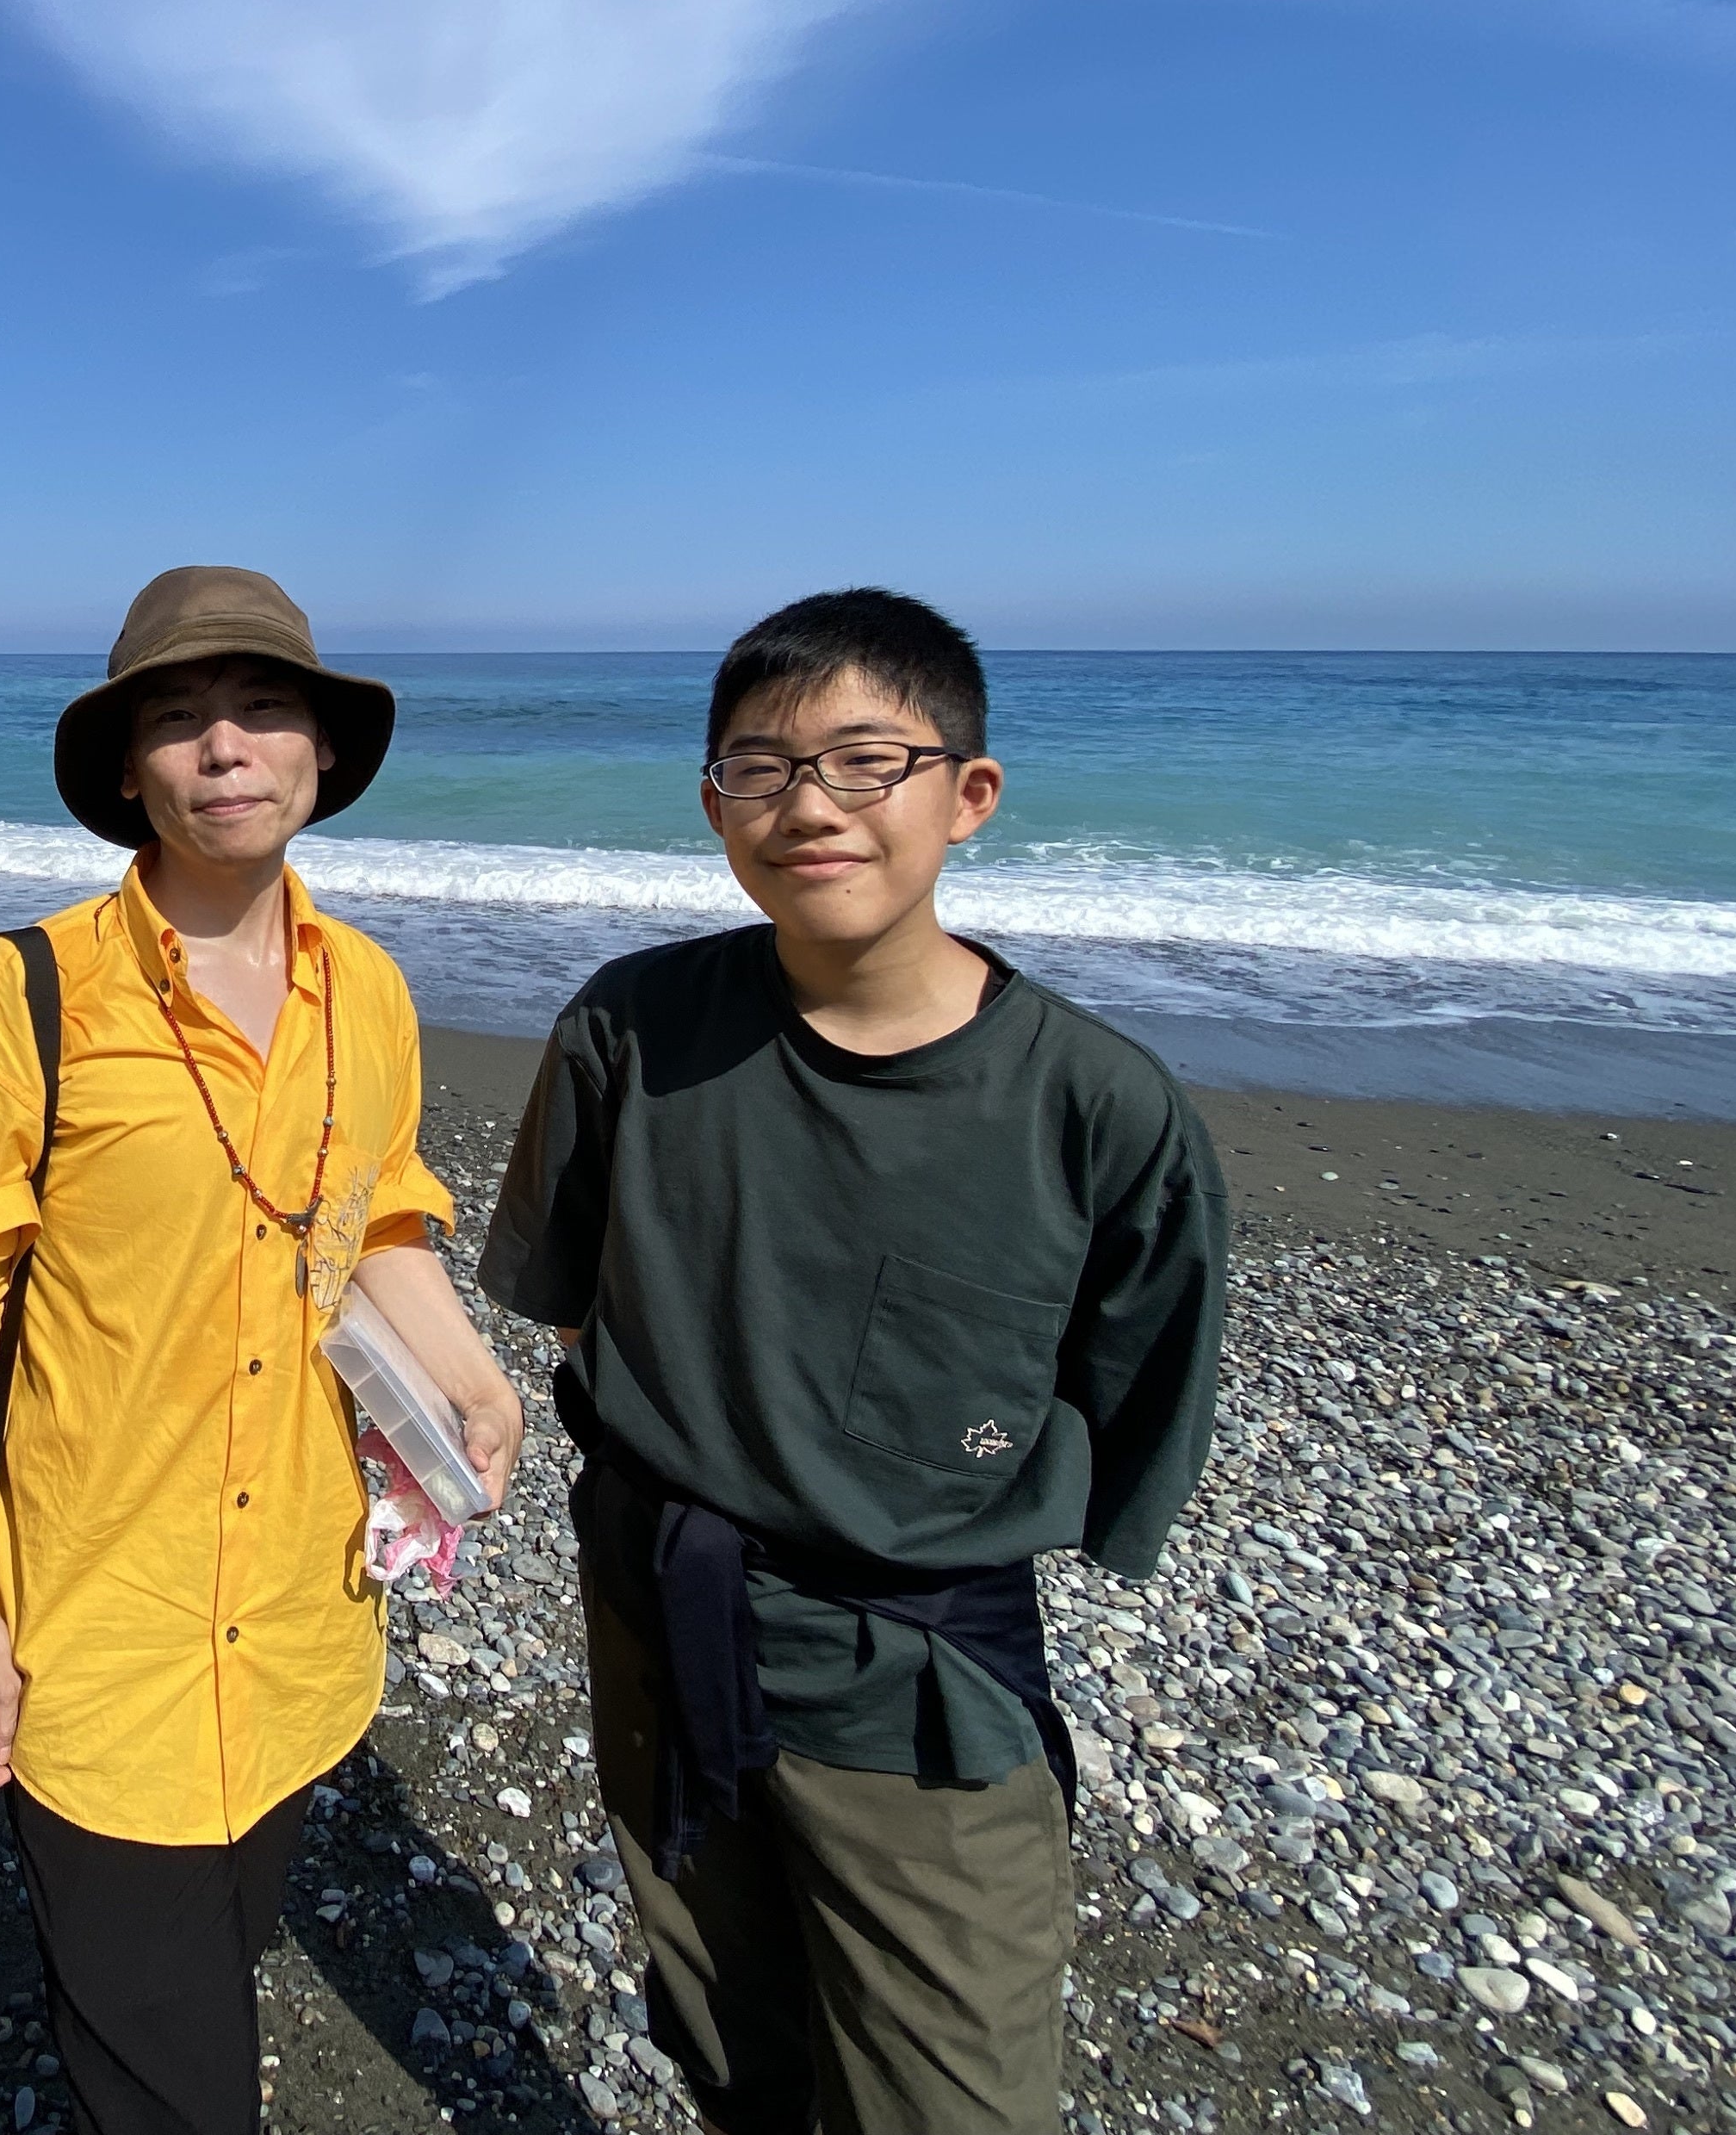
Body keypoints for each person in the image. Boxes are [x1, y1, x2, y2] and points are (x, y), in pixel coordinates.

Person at [478, 588, 1226, 2135]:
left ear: (970, 792)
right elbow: (573, 1298)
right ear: (715, 805)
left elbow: (1133, 1400)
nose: (810, 805)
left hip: (914, 1692)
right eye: (760, 767)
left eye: (867, 761)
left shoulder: (1094, 1108)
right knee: (724, 2035)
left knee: (951, 2093)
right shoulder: (634, 1026)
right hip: (655, 1616)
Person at [0, 566, 525, 2135]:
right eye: (178, 718)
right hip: (100, 1629)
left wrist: (467, 1368)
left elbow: (374, 1213)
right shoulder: (26, 993)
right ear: (127, 769)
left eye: (264, 708)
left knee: (211, 1968)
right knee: (176, 2083)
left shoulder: (367, 987)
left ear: (322, 751)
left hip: (301, 1620)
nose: (225, 747)